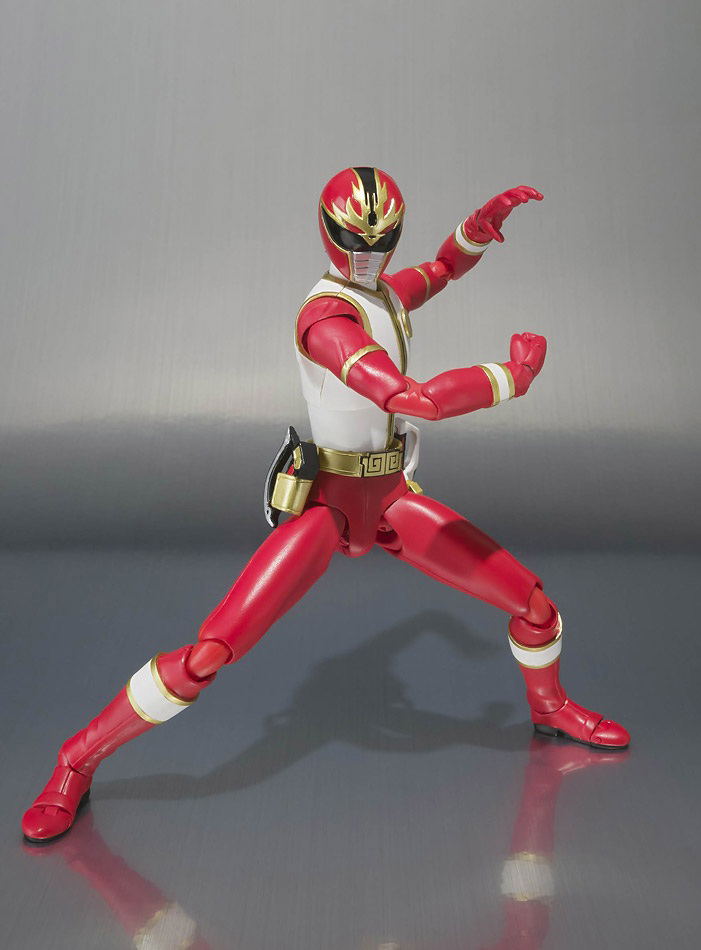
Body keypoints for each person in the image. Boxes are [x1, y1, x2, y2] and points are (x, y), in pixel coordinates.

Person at [22, 167, 628, 843]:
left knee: (535, 606)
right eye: (353, 240)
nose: (367, 253)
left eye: (381, 239)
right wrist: (511, 377)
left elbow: (440, 270)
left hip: (390, 498)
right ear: (327, 231)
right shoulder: (327, 319)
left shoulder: (381, 295)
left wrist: (475, 233)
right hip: (331, 505)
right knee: (209, 653)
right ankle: (75, 760)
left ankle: (549, 708)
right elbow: (408, 397)